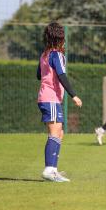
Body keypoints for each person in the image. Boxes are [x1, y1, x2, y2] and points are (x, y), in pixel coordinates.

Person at [37, 22, 82, 182]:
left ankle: (53, 170)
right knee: (55, 133)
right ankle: (49, 170)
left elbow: (38, 75)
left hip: (45, 97)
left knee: (59, 133)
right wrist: (74, 95)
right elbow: (62, 76)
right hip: (51, 99)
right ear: (60, 38)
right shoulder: (56, 55)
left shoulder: (44, 54)